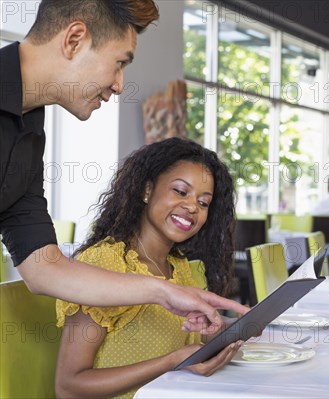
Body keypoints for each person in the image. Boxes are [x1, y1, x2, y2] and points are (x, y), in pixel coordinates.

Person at [0, 0, 245, 331]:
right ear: (74, 40)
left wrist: (164, 291)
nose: (119, 84)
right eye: (119, 63)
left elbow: (44, 269)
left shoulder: (28, 129)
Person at [55, 138, 243, 398]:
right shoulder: (105, 263)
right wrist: (171, 361)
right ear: (146, 191)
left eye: (203, 203)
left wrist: (238, 327)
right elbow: (69, 387)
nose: (192, 206)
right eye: (180, 191)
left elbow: (192, 344)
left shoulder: (178, 267)